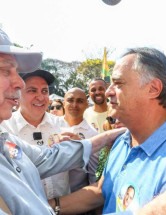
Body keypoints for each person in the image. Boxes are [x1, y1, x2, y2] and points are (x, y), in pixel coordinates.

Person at [48, 47, 166, 214]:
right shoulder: (123, 140)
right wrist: (44, 208)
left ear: (153, 88)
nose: (108, 92)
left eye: (118, 83)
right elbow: (103, 190)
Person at [0, 28, 125, 214]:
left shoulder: (5, 140)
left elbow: (45, 159)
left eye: (44, 91)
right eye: (4, 70)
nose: (19, 83)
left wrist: (107, 136)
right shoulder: (8, 129)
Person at [1, 69, 73, 199]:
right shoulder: (5, 128)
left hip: (65, 208)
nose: (40, 97)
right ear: (18, 94)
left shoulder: (62, 125)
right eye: (32, 91)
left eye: (44, 91)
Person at [59, 87, 99, 192]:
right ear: (64, 103)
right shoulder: (51, 126)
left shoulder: (93, 133)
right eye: (70, 100)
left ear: (86, 105)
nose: (74, 105)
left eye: (80, 101)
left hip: (77, 196)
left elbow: (93, 172)